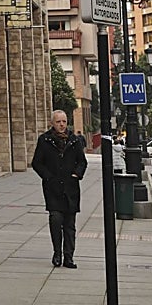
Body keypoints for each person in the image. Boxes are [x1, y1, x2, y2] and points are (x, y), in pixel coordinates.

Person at [31, 109, 88, 268]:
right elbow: (37, 163)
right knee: (55, 220)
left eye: (64, 121)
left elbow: (82, 162)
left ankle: (69, 257)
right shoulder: (45, 140)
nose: (62, 125)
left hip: (70, 188)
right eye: (58, 122)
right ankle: (57, 252)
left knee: (70, 224)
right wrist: (48, 177)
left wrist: (77, 174)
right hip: (53, 188)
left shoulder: (75, 141)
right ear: (52, 123)